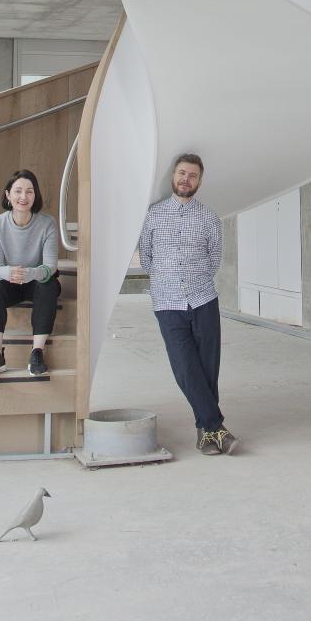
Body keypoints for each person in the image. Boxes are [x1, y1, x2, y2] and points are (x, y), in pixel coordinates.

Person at [139, 153, 237, 454]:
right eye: (182, 173)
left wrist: (195, 279)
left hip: (203, 299)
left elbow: (214, 259)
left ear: (199, 181)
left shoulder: (209, 217)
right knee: (184, 366)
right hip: (167, 303)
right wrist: (168, 278)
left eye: (192, 175)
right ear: (173, 176)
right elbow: (146, 259)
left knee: (208, 369)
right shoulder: (153, 215)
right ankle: (215, 425)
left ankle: (206, 433)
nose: (186, 179)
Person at [0, 169, 61, 378]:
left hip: (35, 281)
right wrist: (8, 273)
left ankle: (37, 352)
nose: (23, 197)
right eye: (18, 191)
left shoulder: (47, 223)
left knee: (49, 284)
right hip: (10, 282)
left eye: (29, 191)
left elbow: (50, 265)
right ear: (8, 195)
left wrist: (31, 273)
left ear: (36, 195)